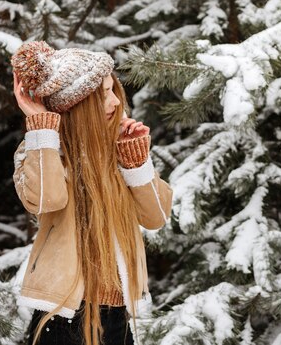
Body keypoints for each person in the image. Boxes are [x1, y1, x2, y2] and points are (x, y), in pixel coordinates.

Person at [10, 41, 173, 345]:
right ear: (76, 105)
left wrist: (136, 161)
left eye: (113, 91)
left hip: (116, 316)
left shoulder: (117, 155)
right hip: (62, 317)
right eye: (101, 96)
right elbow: (47, 199)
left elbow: (156, 217)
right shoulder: (41, 152)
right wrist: (40, 126)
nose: (114, 103)